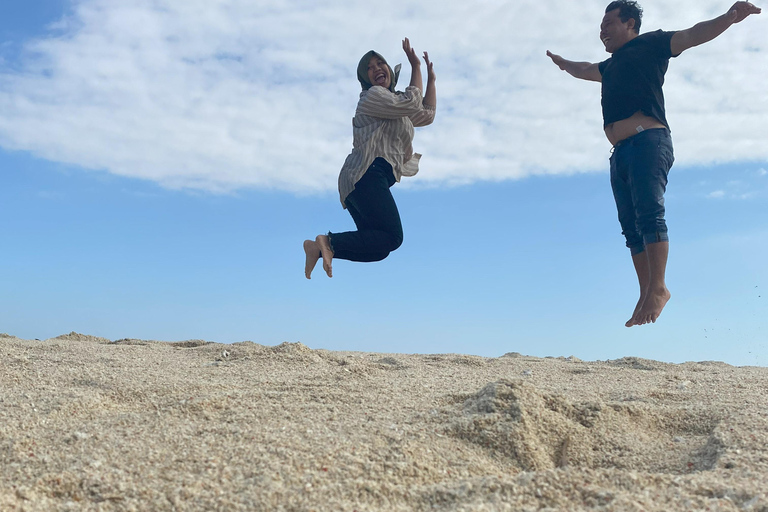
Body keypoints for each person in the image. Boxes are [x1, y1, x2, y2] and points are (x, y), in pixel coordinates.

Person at [546, 1, 761, 327]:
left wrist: (729, 18)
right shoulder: (610, 66)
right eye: (600, 27)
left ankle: (658, 288)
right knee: (631, 227)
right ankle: (647, 290)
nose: (602, 31)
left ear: (630, 23)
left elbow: (692, 35)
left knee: (649, 214)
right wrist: (565, 65)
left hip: (649, 141)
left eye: (608, 24)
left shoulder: (651, 44)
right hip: (620, 152)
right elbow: (586, 68)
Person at [303, 38, 437, 279]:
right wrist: (415, 67)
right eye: (370, 67)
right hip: (366, 172)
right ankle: (328, 242)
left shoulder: (397, 108)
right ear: (365, 79)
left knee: (379, 247)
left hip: (365, 180)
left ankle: (320, 247)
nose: (376, 68)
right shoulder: (372, 97)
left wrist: (432, 80)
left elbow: (426, 114)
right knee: (393, 237)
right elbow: (412, 101)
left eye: (380, 63)